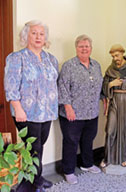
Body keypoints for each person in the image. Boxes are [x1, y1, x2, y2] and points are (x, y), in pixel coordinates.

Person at [4, 20, 58, 192]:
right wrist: (17, 108)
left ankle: (37, 177)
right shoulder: (16, 58)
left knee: (39, 146)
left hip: (47, 112)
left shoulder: (51, 59)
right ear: (26, 35)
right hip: (26, 112)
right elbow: (11, 85)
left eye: (41, 34)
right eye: (34, 33)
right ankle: (28, 185)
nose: (38, 37)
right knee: (32, 148)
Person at [58, 34, 103, 184]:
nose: (84, 49)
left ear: (91, 48)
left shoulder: (96, 65)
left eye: (87, 46)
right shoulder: (68, 66)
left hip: (91, 112)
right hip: (73, 113)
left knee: (88, 140)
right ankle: (68, 170)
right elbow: (62, 87)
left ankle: (87, 164)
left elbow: (99, 86)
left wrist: (105, 100)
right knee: (71, 142)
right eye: (81, 46)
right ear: (76, 48)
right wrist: (68, 107)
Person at [100, 44, 126, 168]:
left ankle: (124, 157)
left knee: (125, 130)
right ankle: (108, 157)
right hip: (115, 101)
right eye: (113, 56)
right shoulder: (110, 69)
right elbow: (103, 87)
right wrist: (110, 84)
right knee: (110, 130)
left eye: (117, 55)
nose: (115, 58)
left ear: (123, 53)